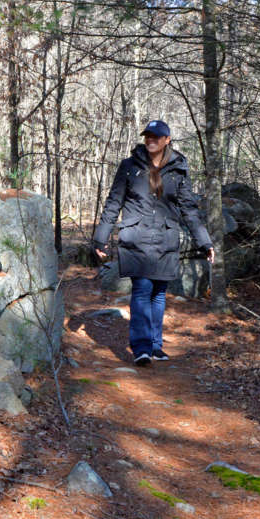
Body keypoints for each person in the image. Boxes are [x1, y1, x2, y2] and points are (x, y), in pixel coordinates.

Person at [92, 120, 215, 366]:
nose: (151, 140)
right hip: (136, 238)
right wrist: (100, 237)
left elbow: (189, 209)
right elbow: (114, 202)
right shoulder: (129, 166)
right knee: (142, 289)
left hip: (165, 239)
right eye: (148, 136)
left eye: (156, 136)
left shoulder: (179, 168)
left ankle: (156, 345)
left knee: (159, 294)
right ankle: (141, 347)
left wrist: (204, 242)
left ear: (167, 140)